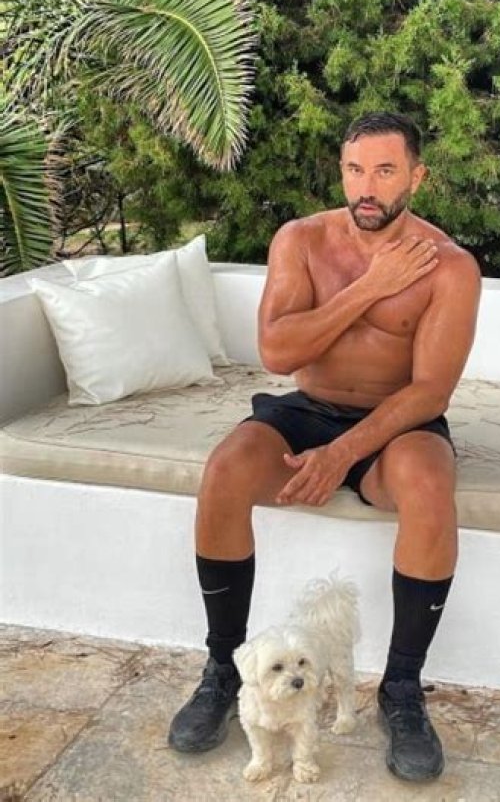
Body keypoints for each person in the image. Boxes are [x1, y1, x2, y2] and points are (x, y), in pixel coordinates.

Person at [168, 111, 482, 782]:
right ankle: (223, 669)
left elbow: (430, 391)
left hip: (396, 422)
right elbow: (278, 351)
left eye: (386, 171)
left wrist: (343, 455)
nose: (367, 187)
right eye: (355, 169)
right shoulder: (302, 240)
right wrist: (371, 287)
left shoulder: (451, 267)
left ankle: (402, 689)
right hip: (307, 410)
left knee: (430, 484)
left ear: (417, 177)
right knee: (224, 470)